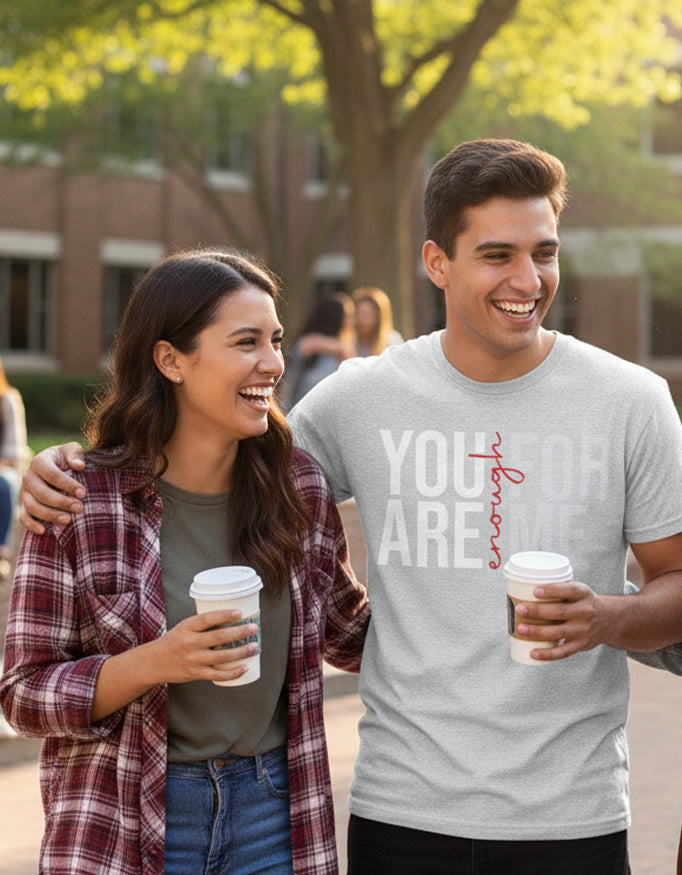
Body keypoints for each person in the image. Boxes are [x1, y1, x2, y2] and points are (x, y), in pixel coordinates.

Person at [15, 139, 682, 874]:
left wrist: (606, 617)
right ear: (437, 263)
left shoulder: (630, 402)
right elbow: (219, 456)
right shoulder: (357, 399)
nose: (528, 278)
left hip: (552, 812)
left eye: (544, 252)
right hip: (386, 810)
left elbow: (675, 588)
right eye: (497, 255)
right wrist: (62, 470)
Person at [0, 249, 370, 875]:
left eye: (276, 341)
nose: (273, 363)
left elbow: (351, 635)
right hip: (122, 818)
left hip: (273, 815)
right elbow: (23, 693)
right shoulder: (77, 501)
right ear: (171, 359)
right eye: (246, 342)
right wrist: (157, 663)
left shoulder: (298, 487)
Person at [279, 293, 356, 411]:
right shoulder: (310, 342)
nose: (350, 320)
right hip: (299, 408)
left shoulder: (341, 346)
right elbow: (308, 345)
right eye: (347, 316)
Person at [0, 355, 30, 578]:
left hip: (4, 468)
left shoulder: (8, 400)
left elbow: (15, 449)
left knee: (4, 484)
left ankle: (2, 551)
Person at [351, 287, 404, 357]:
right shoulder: (349, 341)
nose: (361, 320)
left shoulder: (392, 340)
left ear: (379, 317)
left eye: (367, 315)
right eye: (358, 314)